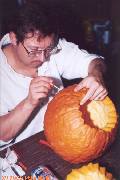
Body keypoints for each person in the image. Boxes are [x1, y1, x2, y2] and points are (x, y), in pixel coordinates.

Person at [0, 1, 108, 149]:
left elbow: (94, 62)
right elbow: (2, 134)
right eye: (34, 50)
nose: (43, 58)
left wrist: (96, 75)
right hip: (18, 156)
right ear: (13, 38)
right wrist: (29, 102)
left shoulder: (52, 47)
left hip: (63, 138)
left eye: (48, 49)